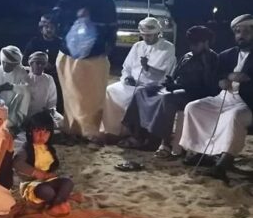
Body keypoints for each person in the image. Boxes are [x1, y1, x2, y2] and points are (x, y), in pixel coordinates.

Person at [122, 26, 218, 156]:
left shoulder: (212, 59)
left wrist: (180, 86)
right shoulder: (187, 56)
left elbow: (209, 87)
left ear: (206, 43)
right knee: (142, 91)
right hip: (178, 89)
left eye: (196, 44)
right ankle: (138, 135)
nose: (192, 47)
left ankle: (164, 143)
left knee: (167, 99)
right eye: (191, 44)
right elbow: (175, 75)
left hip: (195, 94)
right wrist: (170, 82)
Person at [179, 14, 253, 180]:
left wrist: (247, 79)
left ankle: (224, 162)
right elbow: (216, 78)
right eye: (238, 31)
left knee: (234, 117)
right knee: (194, 107)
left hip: (248, 103)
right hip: (225, 98)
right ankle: (200, 153)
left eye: (247, 31)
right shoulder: (227, 55)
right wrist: (223, 81)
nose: (242, 35)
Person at [54, 0, 118, 141]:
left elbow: (112, 28)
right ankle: (72, 129)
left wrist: (108, 47)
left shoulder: (107, 1)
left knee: (93, 98)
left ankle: (90, 132)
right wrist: (77, 16)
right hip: (70, 56)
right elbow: (57, 17)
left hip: (96, 57)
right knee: (73, 96)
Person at [103, 17, 176, 138]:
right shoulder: (137, 46)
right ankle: (113, 130)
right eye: (144, 35)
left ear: (157, 33)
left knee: (138, 94)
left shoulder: (167, 47)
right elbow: (126, 67)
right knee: (110, 90)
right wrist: (127, 78)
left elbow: (164, 73)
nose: (146, 38)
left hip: (152, 87)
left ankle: (132, 132)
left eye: (149, 35)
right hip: (132, 84)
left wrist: (147, 67)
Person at [14, 111, 74, 216]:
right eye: (38, 131)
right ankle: (61, 201)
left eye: (46, 132)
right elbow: (17, 164)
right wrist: (38, 173)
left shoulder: (49, 149)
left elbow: (54, 167)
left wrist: (51, 176)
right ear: (30, 132)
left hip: (48, 180)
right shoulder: (26, 149)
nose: (42, 135)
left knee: (68, 182)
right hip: (32, 184)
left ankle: (56, 204)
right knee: (46, 191)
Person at [23, 14, 63, 112]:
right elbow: (24, 60)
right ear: (42, 29)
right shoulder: (35, 42)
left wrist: (54, 66)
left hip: (55, 76)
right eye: (46, 27)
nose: (49, 30)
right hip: (35, 75)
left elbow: (64, 62)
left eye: (52, 28)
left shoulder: (61, 43)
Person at [0, 45, 31, 133]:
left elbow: (28, 87)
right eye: (11, 64)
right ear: (3, 62)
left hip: (14, 109)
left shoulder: (20, 70)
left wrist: (12, 87)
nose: (14, 67)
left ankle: (19, 121)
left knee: (26, 92)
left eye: (15, 64)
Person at [26, 51, 63, 128]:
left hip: (43, 112)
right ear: (31, 63)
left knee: (62, 121)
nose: (40, 66)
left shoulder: (49, 79)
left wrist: (50, 110)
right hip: (27, 113)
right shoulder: (24, 77)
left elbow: (52, 100)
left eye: (43, 64)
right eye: (38, 63)